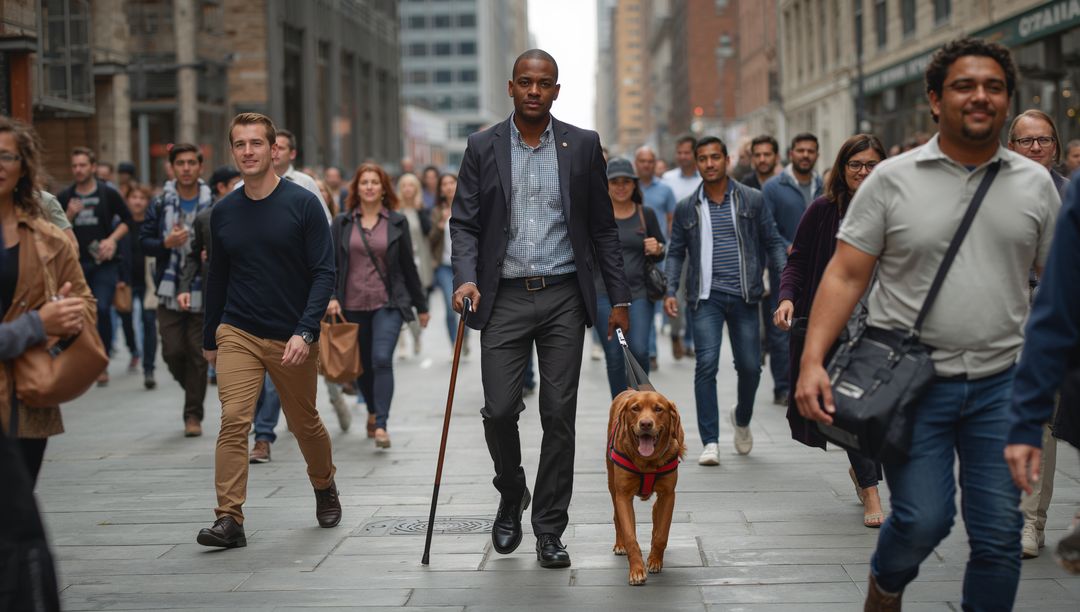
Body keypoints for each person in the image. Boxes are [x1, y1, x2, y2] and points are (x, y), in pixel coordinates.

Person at [794, 39, 1060, 609]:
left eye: (993, 86)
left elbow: (1060, 286)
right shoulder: (891, 180)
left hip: (1002, 387)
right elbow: (844, 274)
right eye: (965, 85)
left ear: (1006, 99)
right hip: (913, 384)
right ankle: (885, 585)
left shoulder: (1036, 185)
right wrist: (812, 361)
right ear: (936, 100)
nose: (980, 96)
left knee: (997, 537)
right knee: (922, 519)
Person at [450, 49, 630, 569]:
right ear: (510, 88)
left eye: (544, 83)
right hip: (501, 297)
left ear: (556, 90)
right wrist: (465, 277)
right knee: (500, 409)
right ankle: (511, 490)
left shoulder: (583, 145)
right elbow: (464, 222)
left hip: (563, 297)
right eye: (525, 82)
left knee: (559, 415)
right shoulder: (482, 146)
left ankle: (550, 528)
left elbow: (602, 229)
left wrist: (618, 298)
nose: (534, 90)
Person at [197, 112, 339, 548]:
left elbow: (324, 272)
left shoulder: (303, 203)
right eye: (239, 144)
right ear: (232, 150)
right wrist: (209, 339)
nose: (248, 151)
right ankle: (229, 518)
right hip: (237, 329)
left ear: (273, 149)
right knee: (234, 420)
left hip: (291, 334)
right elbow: (217, 277)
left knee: (304, 423)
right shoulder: (222, 213)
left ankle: (323, 483)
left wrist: (306, 331)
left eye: (256, 143)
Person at [773, 134, 887, 528]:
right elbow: (798, 260)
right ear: (842, 169)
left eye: (871, 164)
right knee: (848, 411)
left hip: (883, 324)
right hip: (835, 323)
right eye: (855, 165)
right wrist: (787, 297)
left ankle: (865, 471)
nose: (863, 172)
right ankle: (871, 489)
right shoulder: (823, 210)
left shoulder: (895, 209)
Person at [663, 136, 786, 466]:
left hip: (746, 295)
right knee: (706, 365)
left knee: (750, 367)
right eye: (702, 158)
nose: (709, 163)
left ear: (726, 159)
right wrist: (670, 288)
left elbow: (773, 242)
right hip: (706, 298)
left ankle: (742, 417)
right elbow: (675, 253)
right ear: (698, 163)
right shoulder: (688, 206)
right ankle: (711, 441)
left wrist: (786, 285)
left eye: (715, 157)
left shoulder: (752, 200)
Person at [0, 116, 96, 485]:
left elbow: (85, 302)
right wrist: (38, 324)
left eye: (7, 156)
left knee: (19, 510)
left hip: (28, 397)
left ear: (24, 167)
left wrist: (65, 318)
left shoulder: (47, 239)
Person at [1003, 108, 1071, 559]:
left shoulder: (1072, 194)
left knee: (1044, 420)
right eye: (1025, 141)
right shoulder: (993, 193)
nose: (1035, 149)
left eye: (1043, 140)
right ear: (1012, 146)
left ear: (1056, 146)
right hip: (1002, 319)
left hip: (1056, 319)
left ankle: (1032, 521)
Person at [326, 164, 429, 449]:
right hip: (352, 304)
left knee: (382, 359)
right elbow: (332, 265)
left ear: (384, 188)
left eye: (375, 182)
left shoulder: (397, 222)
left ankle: (381, 423)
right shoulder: (342, 223)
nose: (369, 187)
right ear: (356, 188)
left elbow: (408, 265)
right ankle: (372, 409)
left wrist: (421, 306)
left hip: (389, 302)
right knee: (363, 369)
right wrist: (332, 297)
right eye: (364, 182)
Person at [139, 143, 213, 438]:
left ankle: (192, 415)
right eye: (179, 163)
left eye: (191, 163)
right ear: (172, 168)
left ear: (200, 167)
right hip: (168, 288)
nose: (185, 168)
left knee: (198, 353)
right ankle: (193, 389)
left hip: (201, 286)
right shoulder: (159, 204)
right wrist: (164, 244)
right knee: (172, 351)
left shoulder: (214, 203)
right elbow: (143, 241)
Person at [57, 146, 133, 387]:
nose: (78, 170)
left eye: (82, 165)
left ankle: (102, 362)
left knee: (100, 309)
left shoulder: (107, 193)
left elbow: (127, 220)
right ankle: (80, 361)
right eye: (75, 166)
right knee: (77, 314)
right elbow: (54, 230)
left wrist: (112, 240)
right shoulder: (66, 196)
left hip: (104, 263)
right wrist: (68, 215)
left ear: (92, 167)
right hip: (76, 264)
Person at [594, 158, 664, 397]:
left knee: (641, 350)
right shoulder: (596, 216)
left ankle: (638, 404)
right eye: (615, 182)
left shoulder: (647, 214)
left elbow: (660, 248)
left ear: (634, 185)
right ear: (606, 185)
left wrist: (657, 248)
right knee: (615, 356)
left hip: (640, 293)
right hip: (604, 294)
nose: (621, 187)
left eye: (626, 181)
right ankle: (620, 411)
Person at [634, 146, 675, 369]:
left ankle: (656, 346)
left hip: (657, 252)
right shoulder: (627, 187)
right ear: (636, 163)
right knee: (646, 303)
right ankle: (650, 351)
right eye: (642, 161)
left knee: (656, 301)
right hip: (633, 256)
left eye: (651, 161)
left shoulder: (665, 190)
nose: (647, 165)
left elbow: (671, 219)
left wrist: (665, 246)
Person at [661, 135, 702, 361]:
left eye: (687, 152)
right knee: (674, 293)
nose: (683, 156)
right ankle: (676, 333)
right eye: (680, 152)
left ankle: (690, 341)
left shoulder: (703, 179)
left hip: (700, 248)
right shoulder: (667, 180)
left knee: (695, 295)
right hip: (674, 248)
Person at [122, 184, 158, 390]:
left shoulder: (151, 224)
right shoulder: (121, 225)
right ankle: (133, 349)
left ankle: (149, 368)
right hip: (126, 281)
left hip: (147, 282)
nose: (137, 201)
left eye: (141, 198)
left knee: (148, 322)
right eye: (133, 197)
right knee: (125, 319)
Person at [396, 172, 434, 355]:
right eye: (405, 186)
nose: (408, 189)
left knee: (418, 302)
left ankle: (416, 336)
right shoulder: (396, 211)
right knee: (401, 302)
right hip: (401, 264)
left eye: (412, 186)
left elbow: (429, 231)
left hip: (420, 263)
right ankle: (402, 343)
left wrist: (420, 211)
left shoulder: (421, 209)